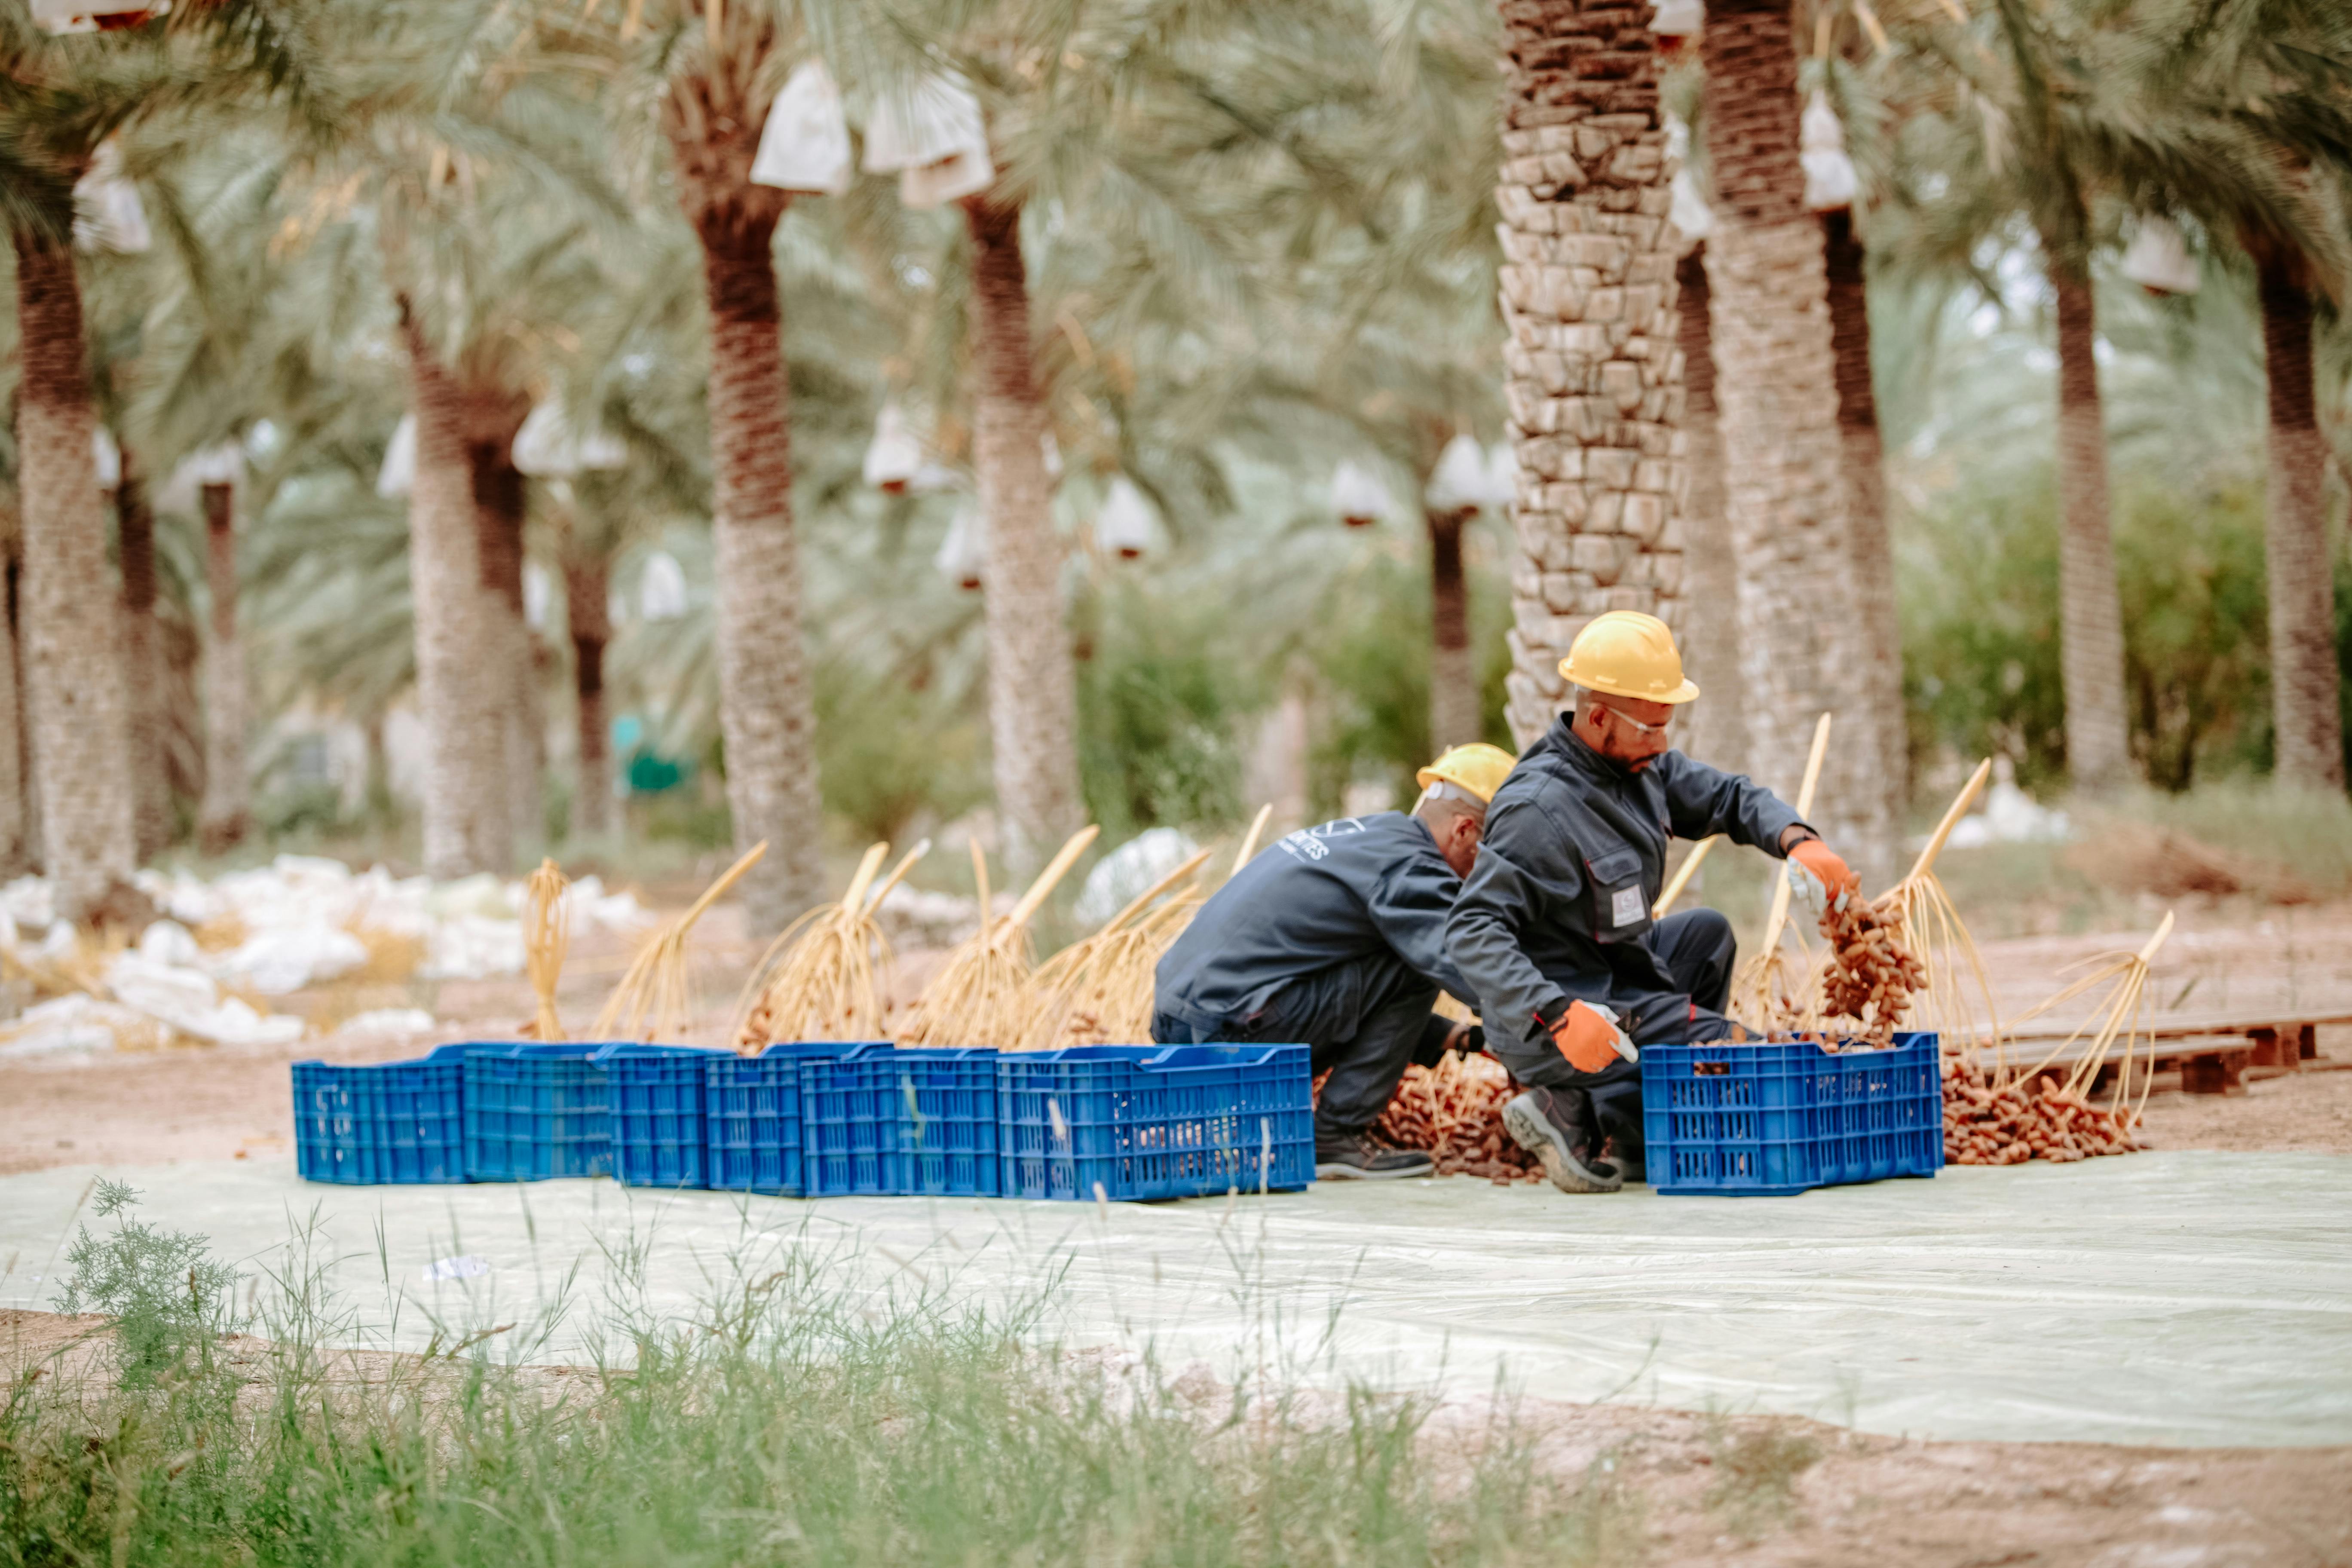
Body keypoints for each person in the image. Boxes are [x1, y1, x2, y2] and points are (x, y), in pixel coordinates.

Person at [1446, 611, 1859, 1194]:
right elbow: (1471, 929)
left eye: (1667, 726)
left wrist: (1800, 840)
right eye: (1649, 729)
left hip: (1616, 975)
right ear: (1596, 718)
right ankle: (1568, 1100)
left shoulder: (1640, 767)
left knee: (1707, 935)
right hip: (1559, 1015)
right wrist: (1556, 1011)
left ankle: (1624, 1124)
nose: (1662, 743)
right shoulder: (1537, 810)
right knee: (1721, 1043)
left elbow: (1730, 798)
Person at [1153, 744, 1517, 1179]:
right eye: (1495, 856)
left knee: (1406, 950)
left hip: (1186, 1023)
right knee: (1420, 960)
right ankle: (1335, 1134)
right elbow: (1473, 969)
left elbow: (1353, 988)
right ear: (1464, 830)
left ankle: (1330, 1132)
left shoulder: (1369, 837)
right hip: (1228, 1030)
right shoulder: (1411, 869)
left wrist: (1462, 1038)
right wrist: (1551, 1020)